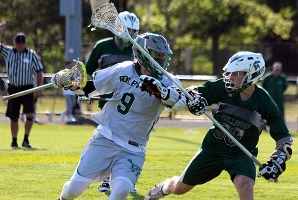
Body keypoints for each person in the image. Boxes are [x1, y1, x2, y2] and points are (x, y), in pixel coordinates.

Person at [52, 32, 187, 200]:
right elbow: (90, 88)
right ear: (143, 53)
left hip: (134, 148)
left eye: (163, 55)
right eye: (157, 55)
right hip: (106, 138)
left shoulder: (169, 81)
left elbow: (180, 103)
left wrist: (162, 92)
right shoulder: (124, 69)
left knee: (121, 190)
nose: (162, 59)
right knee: (73, 190)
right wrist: (69, 81)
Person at [144, 51, 293, 200]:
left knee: (246, 186)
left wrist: (276, 161)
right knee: (179, 188)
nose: (230, 77)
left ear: (251, 75)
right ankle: (164, 187)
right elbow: (193, 92)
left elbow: (284, 139)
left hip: (241, 154)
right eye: (230, 73)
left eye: (236, 74)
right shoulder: (222, 87)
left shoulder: (264, 102)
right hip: (212, 150)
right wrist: (196, 99)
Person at [85, 11, 140, 193]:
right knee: (110, 140)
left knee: (132, 143)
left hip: (133, 104)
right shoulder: (102, 46)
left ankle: (125, 180)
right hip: (108, 101)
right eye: (127, 30)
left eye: (134, 31)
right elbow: (88, 71)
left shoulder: (138, 48)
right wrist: (86, 92)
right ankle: (107, 181)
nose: (130, 35)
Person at [0, 21, 43, 148]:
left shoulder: (31, 54)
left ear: (25, 44)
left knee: (30, 115)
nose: (20, 46)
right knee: (13, 117)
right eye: (18, 43)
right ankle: (14, 140)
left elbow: (39, 71)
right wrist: (0, 32)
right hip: (13, 88)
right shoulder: (8, 52)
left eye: (22, 44)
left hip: (27, 88)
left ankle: (26, 139)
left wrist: (38, 89)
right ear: (14, 43)